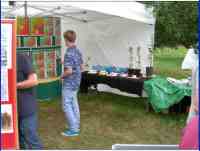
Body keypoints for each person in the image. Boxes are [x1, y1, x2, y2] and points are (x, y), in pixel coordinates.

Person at [17, 53, 43, 149]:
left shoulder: (21, 57)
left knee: (29, 136)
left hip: (26, 107)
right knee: (18, 139)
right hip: (10, 109)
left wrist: (14, 85)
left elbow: (34, 81)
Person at [61, 30, 84, 137]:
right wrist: (65, 63)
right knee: (74, 104)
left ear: (66, 40)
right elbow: (81, 67)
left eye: (64, 39)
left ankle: (74, 129)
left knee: (67, 105)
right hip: (76, 82)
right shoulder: (78, 51)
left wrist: (61, 76)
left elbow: (69, 71)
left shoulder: (68, 53)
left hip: (69, 84)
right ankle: (76, 125)